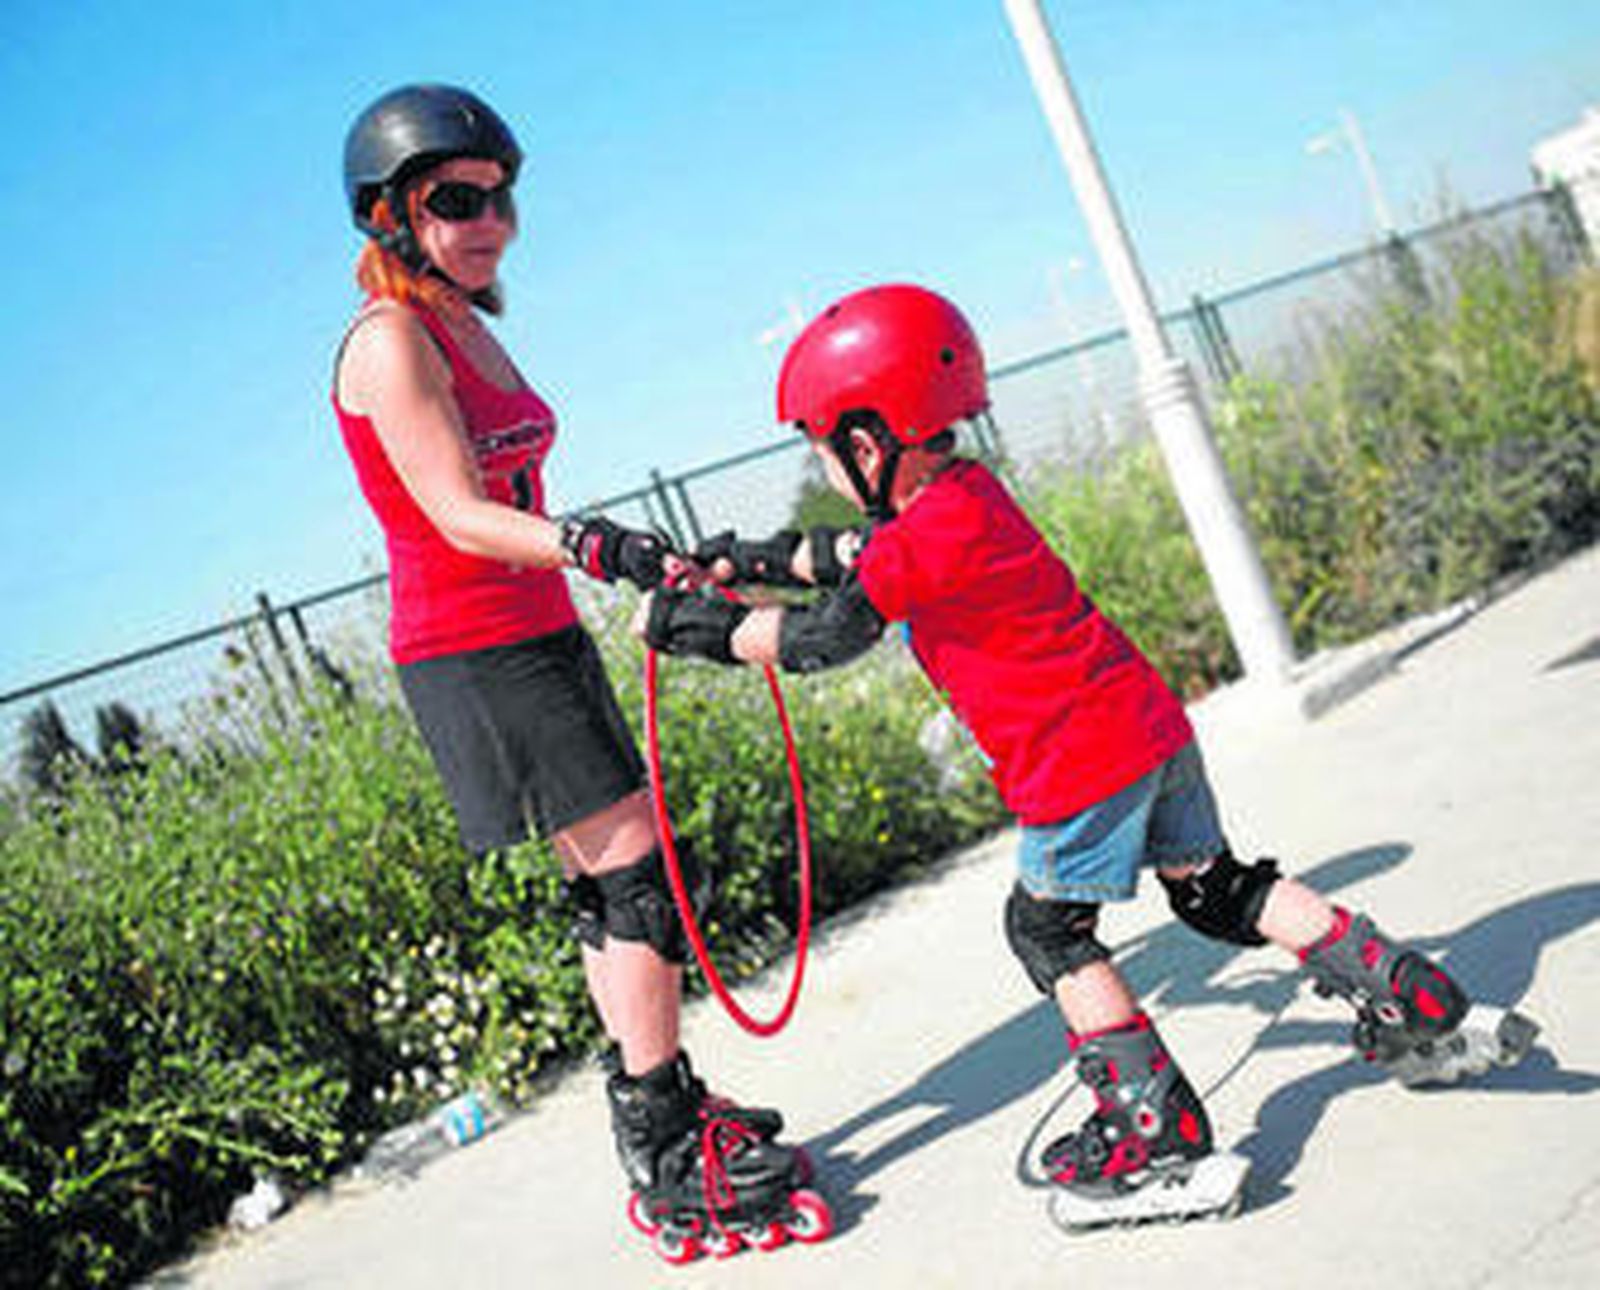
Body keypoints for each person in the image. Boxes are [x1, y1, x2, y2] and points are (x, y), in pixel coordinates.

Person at [636, 282, 1539, 1229]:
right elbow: (854, 557)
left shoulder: (915, 544)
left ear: (868, 444)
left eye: (825, 452)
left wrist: (694, 627)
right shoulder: (965, 497)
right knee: (1217, 889)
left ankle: (1157, 1137)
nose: (826, 469)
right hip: (1148, 726)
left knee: (1049, 933)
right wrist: (754, 555)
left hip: (1077, 765)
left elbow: (824, 637)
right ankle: (1411, 993)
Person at [333, 84, 824, 1262]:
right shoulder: (390, 340)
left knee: (620, 884)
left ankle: (667, 1112)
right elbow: (454, 514)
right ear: (390, 215)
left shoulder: (462, 320)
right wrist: (596, 544)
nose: (489, 220)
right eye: (457, 201)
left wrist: (596, 557)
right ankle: (665, 1155)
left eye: (502, 199)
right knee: (634, 885)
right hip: (474, 646)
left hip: (532, 631)